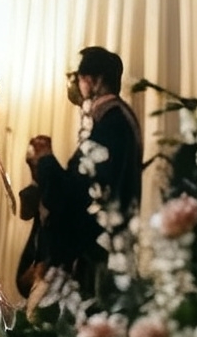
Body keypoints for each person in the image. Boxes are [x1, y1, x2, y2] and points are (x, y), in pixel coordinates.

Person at [19, 46, 143, 296]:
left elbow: (81, 192)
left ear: (95, 80)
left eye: (78, 78)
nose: (75, 85)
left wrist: (45, 159)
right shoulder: (111, 119)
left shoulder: (112, 123)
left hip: (95, 257)